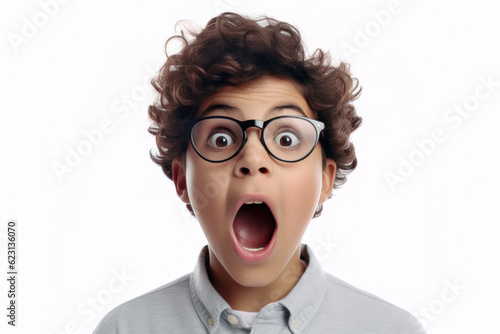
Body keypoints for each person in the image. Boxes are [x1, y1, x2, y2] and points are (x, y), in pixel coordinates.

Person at [94, 12, 426, 333]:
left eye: (286, 138)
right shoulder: (125, 329)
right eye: (221, 138)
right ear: (182, 180)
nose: (252, 158)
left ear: (325, 179)